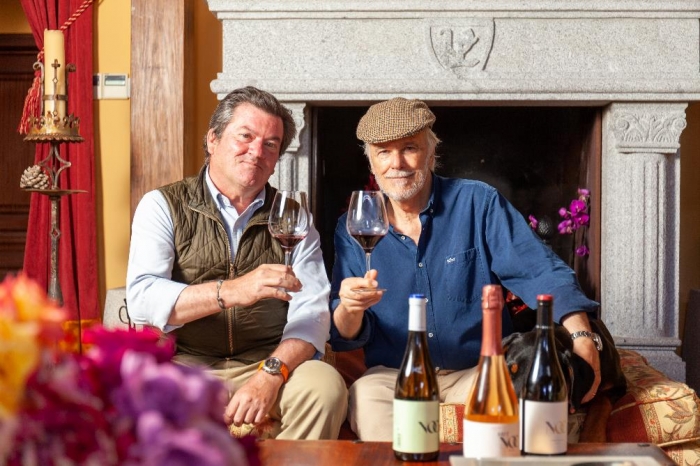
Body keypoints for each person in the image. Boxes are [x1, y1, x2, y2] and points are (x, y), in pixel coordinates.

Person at [329, 97, 602, 440]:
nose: (396, 163)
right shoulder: (354, 227)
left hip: (480, 370)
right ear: (371, 161)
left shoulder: (478, 203)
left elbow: (540, 270)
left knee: (523, 408)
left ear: (431, 153)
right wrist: (350, 308)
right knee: (365, 399)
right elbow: (345, 333)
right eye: (383, 152)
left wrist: (582, 336)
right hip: (393, 375)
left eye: (410, 148)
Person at [126, 86, 347, 440]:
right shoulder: (163, 205)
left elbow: (313, 313)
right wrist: (232, 291)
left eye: (271, 144)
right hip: (188, 364)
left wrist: (270, 375)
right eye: (245, 136)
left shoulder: (294, 217)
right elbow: (142, 298)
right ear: (213, 139)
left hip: (269, 361)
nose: (257, 152)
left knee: (324, 388)